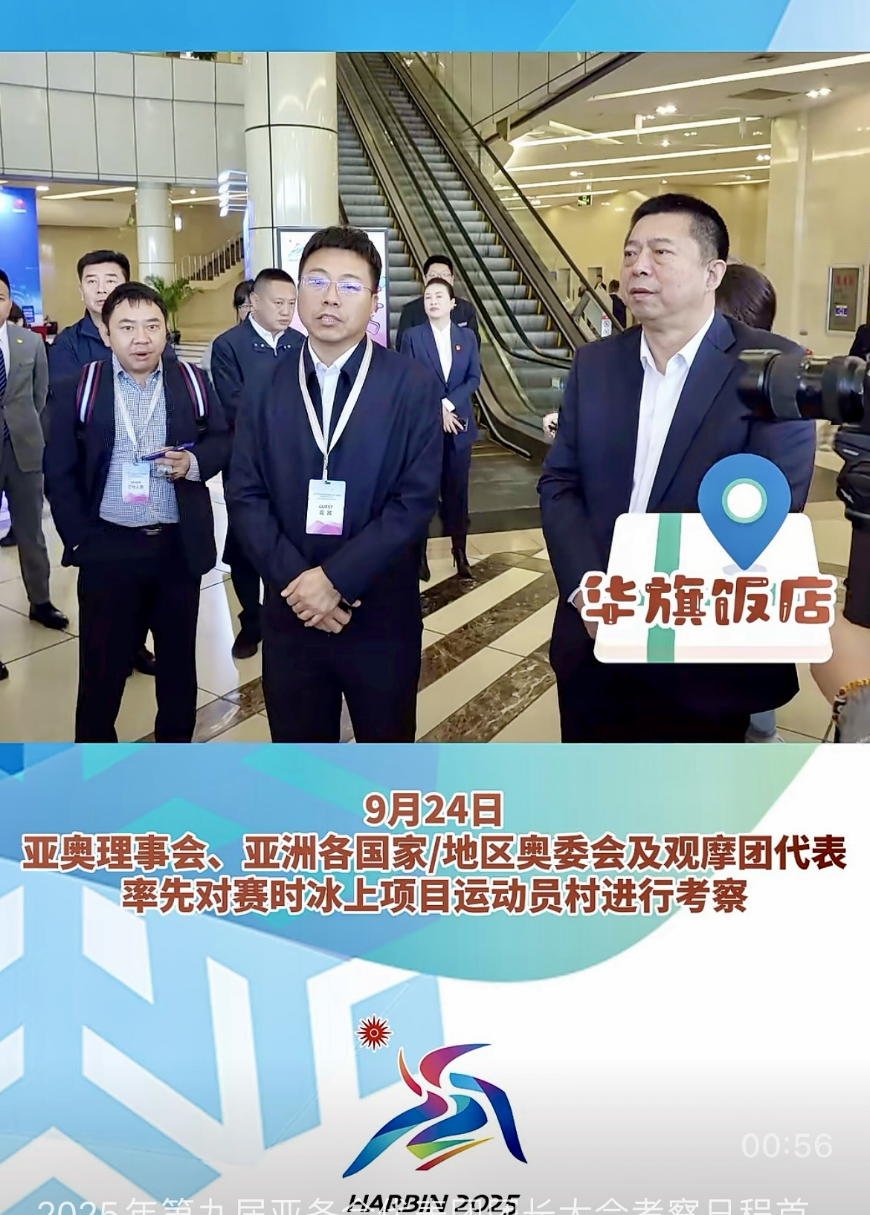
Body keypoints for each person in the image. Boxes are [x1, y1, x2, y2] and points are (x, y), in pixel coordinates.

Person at [538, 194, 817, 744]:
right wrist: (589, 589)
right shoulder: (596, 363)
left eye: (661, 252)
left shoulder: (772, 367)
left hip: (702, 660)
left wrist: (650, 608)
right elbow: (561, 483)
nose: (638, 266)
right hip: (593, 644)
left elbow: (773, 507)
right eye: (630, 252)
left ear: (713, 272)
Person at [227, 226, 443, 743]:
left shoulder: (411, 385)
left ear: (374, 301)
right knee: (301, 764)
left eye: (349, 285)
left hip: (380, 615)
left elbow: (414, 501)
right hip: (292, 611)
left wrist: (336, 580)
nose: (330, 297)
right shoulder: (264, 386)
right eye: (317, 280)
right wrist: (301, 584)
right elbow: (246, 493)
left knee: (385, 760)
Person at [44, 282, 230, 743]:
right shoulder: (79, 388)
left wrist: (194, 463)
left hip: (176, 548)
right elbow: (59, 472)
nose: (141, 338)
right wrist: (81, 541)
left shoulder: (192, 382)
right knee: (101, 673)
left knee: (178, 669)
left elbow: (223, 439)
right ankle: (96, 764)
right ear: (106, 334)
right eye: (127, 327)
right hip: (109, 548)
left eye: (152, 326)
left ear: (166, 331)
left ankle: (172, 758)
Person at [49, 248, 172, 678]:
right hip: (97, 500)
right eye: (93, 281)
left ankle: (135, 645)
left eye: (111, 280)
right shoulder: (67, 346)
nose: (102, 289)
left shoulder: (152, 342)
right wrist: (79, 538)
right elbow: (66, 441)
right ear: (81, 288)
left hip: (154, 502)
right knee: (101, 648)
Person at [211, 268, 304, 659]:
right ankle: (251, 619)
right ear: (255, 302)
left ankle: (286, 614)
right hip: (247, 464)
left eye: (291, 304)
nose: (286, 312)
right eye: (278, 303)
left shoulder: (301, 343)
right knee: (246, 543)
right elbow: (236, 405)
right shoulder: (229, 346)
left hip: (296, 465)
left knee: (290, 538)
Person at [0, 268, 69, 686]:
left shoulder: (29, 342)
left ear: (9, 300)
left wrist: (27, 430)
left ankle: (40, 601)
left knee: (31, 533)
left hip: (24, 449)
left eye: (0, 296)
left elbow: (40, 395)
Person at [403, 277, 480, 582]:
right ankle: (420, 556)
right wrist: (437, 409)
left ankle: (459, 552)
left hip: (459, 426)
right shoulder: (413, 337)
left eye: (439, 296)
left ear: (452, 303)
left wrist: (448, 405)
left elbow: (473, 378)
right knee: (424, 492)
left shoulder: (467, 337)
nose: (433, 301)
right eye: (428, 297)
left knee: (457, 494)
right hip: (425, 428)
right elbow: (409, 380)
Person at [395, 255, 480, 353]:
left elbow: (474, 345)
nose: (440, 278)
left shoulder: (466, 309)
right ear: (425, 279)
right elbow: (402, 347)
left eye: (444, 274)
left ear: (452, 279)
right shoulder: (410, 311)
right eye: (433, 275)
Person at [200, 279, 253, 383]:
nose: (250, 311)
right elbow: (207, 373)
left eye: (252, 305)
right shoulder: (222, 342)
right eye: (245, 306)